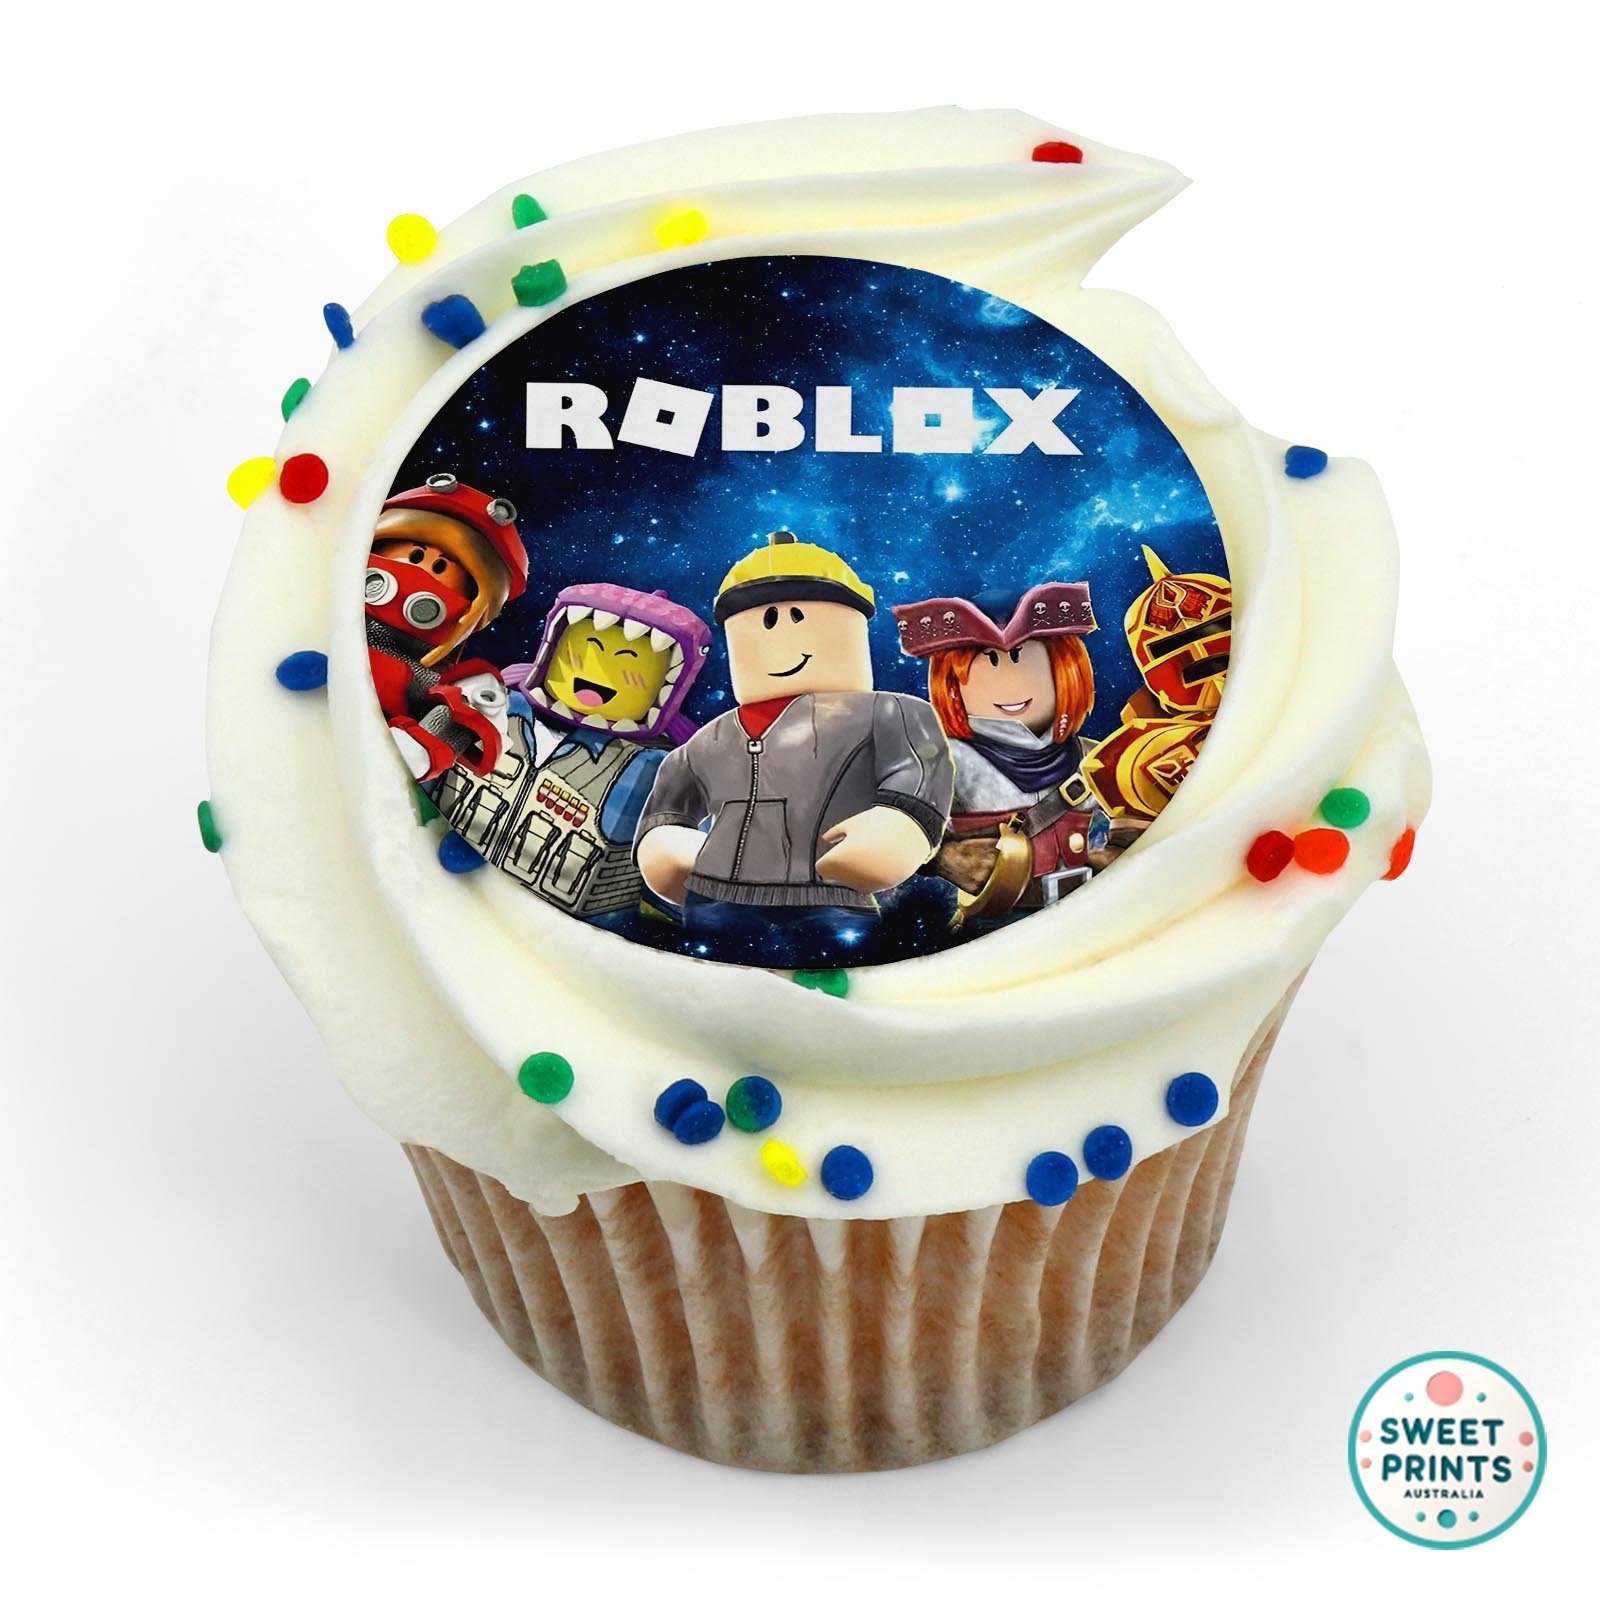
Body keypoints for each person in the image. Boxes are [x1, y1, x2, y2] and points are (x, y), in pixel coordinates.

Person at [635, 531, 954, 966]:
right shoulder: (712, 737)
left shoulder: (888, 712)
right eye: (766, 620)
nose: (781, 637)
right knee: (715, 983)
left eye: (798, 616)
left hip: (827, 897)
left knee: (832, 983)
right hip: (716, 897)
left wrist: (902, 823)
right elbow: (672, 795)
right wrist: (662, 841)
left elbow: (920, 770)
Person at [893, 581, 1102, 923]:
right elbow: (890, 827)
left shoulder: (1096, 756)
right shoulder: (941, 761)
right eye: (989, 661)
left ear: (1066, 668)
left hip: (1094, 915)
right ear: (952, 682)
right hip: (996, 925)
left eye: (1021, 658)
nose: (1009, 680)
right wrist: (941, 857)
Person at [365, 473, 528, 781]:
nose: (421, 572)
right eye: (415, 554)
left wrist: (415, 750)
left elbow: (459, 719)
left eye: (442, 567)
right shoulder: (327, 613)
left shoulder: (436, 681)